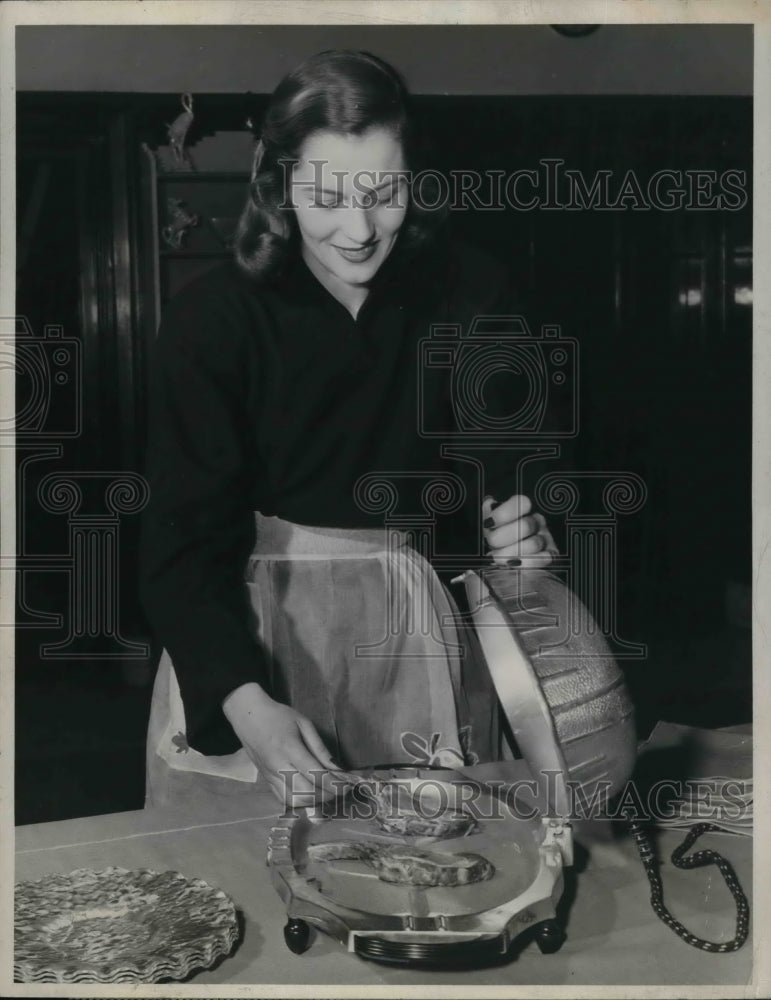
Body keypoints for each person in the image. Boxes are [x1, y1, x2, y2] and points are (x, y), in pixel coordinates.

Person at [140, 50, 557, 811]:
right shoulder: (213, 320)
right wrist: (244, 704)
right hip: (251, 643)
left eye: (384, 192)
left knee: (433, 859)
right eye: (327, 195)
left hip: (422, 642)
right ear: (280, 183)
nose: (359, 229)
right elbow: (179, 547)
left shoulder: (474, 291)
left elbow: (507, 473)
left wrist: (525, 530)